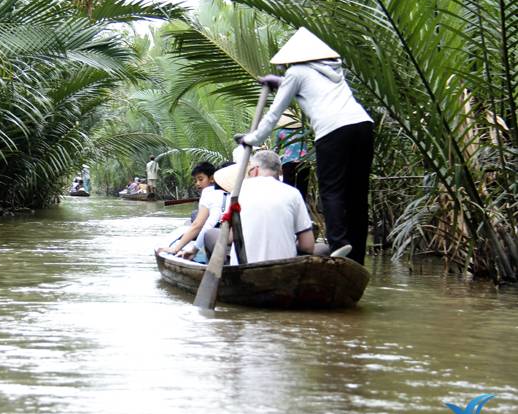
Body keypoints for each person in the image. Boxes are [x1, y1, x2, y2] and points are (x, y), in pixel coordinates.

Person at [236, 28, 374, 265]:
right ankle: (357, 257)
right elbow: (308, 85)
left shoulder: (296, 72)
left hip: (333, 131)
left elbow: (274, 113)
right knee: (357, 195)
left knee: (332, 190)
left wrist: (252, 139)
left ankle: (339, 244)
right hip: (363, 127)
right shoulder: (332, 70)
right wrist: (279, 82)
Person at [200, 150, 315, 263]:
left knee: (210, 234)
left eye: (249, 173)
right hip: (284, 270)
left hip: (245, 269)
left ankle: (224, 274)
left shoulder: (238, 192)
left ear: (254, 171)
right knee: (321, 248)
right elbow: (308, 246)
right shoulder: (293, 193)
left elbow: (229, 237)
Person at [155, 162, 225, 263]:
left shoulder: (207, 192)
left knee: (194, 216)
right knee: (194, 214)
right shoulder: (229, 191)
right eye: (196, 180)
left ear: (212, 178)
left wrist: (175, 249)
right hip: (224, 234)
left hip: (215, 234)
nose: (197, 183)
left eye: (201, 179)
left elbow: (198, 225)